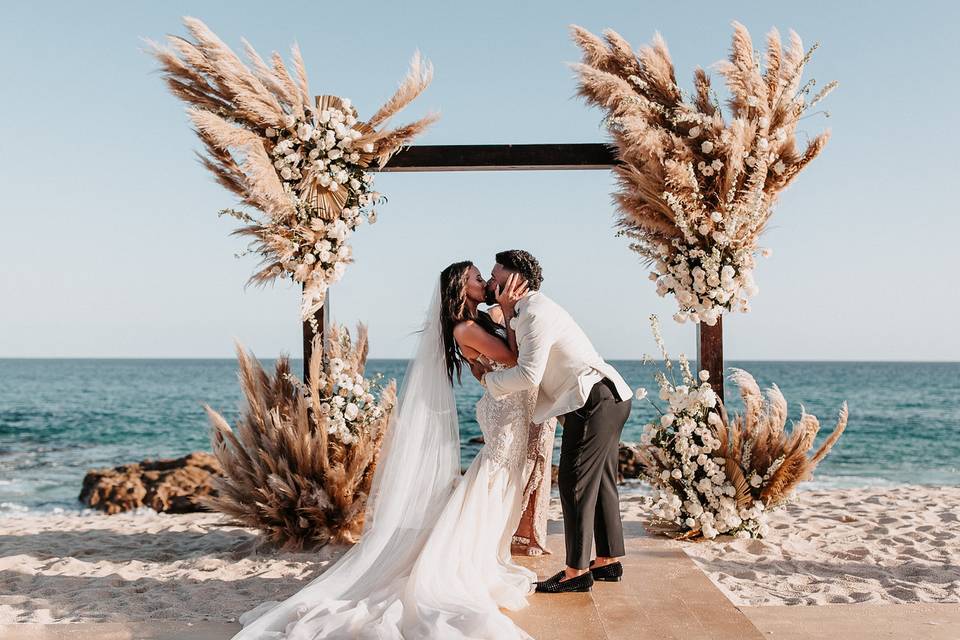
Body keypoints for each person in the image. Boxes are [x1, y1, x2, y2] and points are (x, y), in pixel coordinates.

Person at [230, 260, 552, 640]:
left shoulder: (479, 319)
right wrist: (512, 312)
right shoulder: (465, 327)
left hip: (509, 408)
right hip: (502, 414)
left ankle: (483, 554)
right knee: (492, 480)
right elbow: (514, 358)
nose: (485, 283)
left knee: (501, 483)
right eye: (477, 279)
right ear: (460, 289)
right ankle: (466, 561)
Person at [475, 249, 633, 594]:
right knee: (602, 481)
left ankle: (576, 571)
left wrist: (489, 382)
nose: (490, 282)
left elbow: (529, 374)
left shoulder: (534, 312)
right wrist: (504, 310)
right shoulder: (526, 311)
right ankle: (607, 560)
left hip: (593, 400)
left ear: (517, 280)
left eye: (495, 275)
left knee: (574, 482)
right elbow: (520, 354)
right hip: (607, 397)